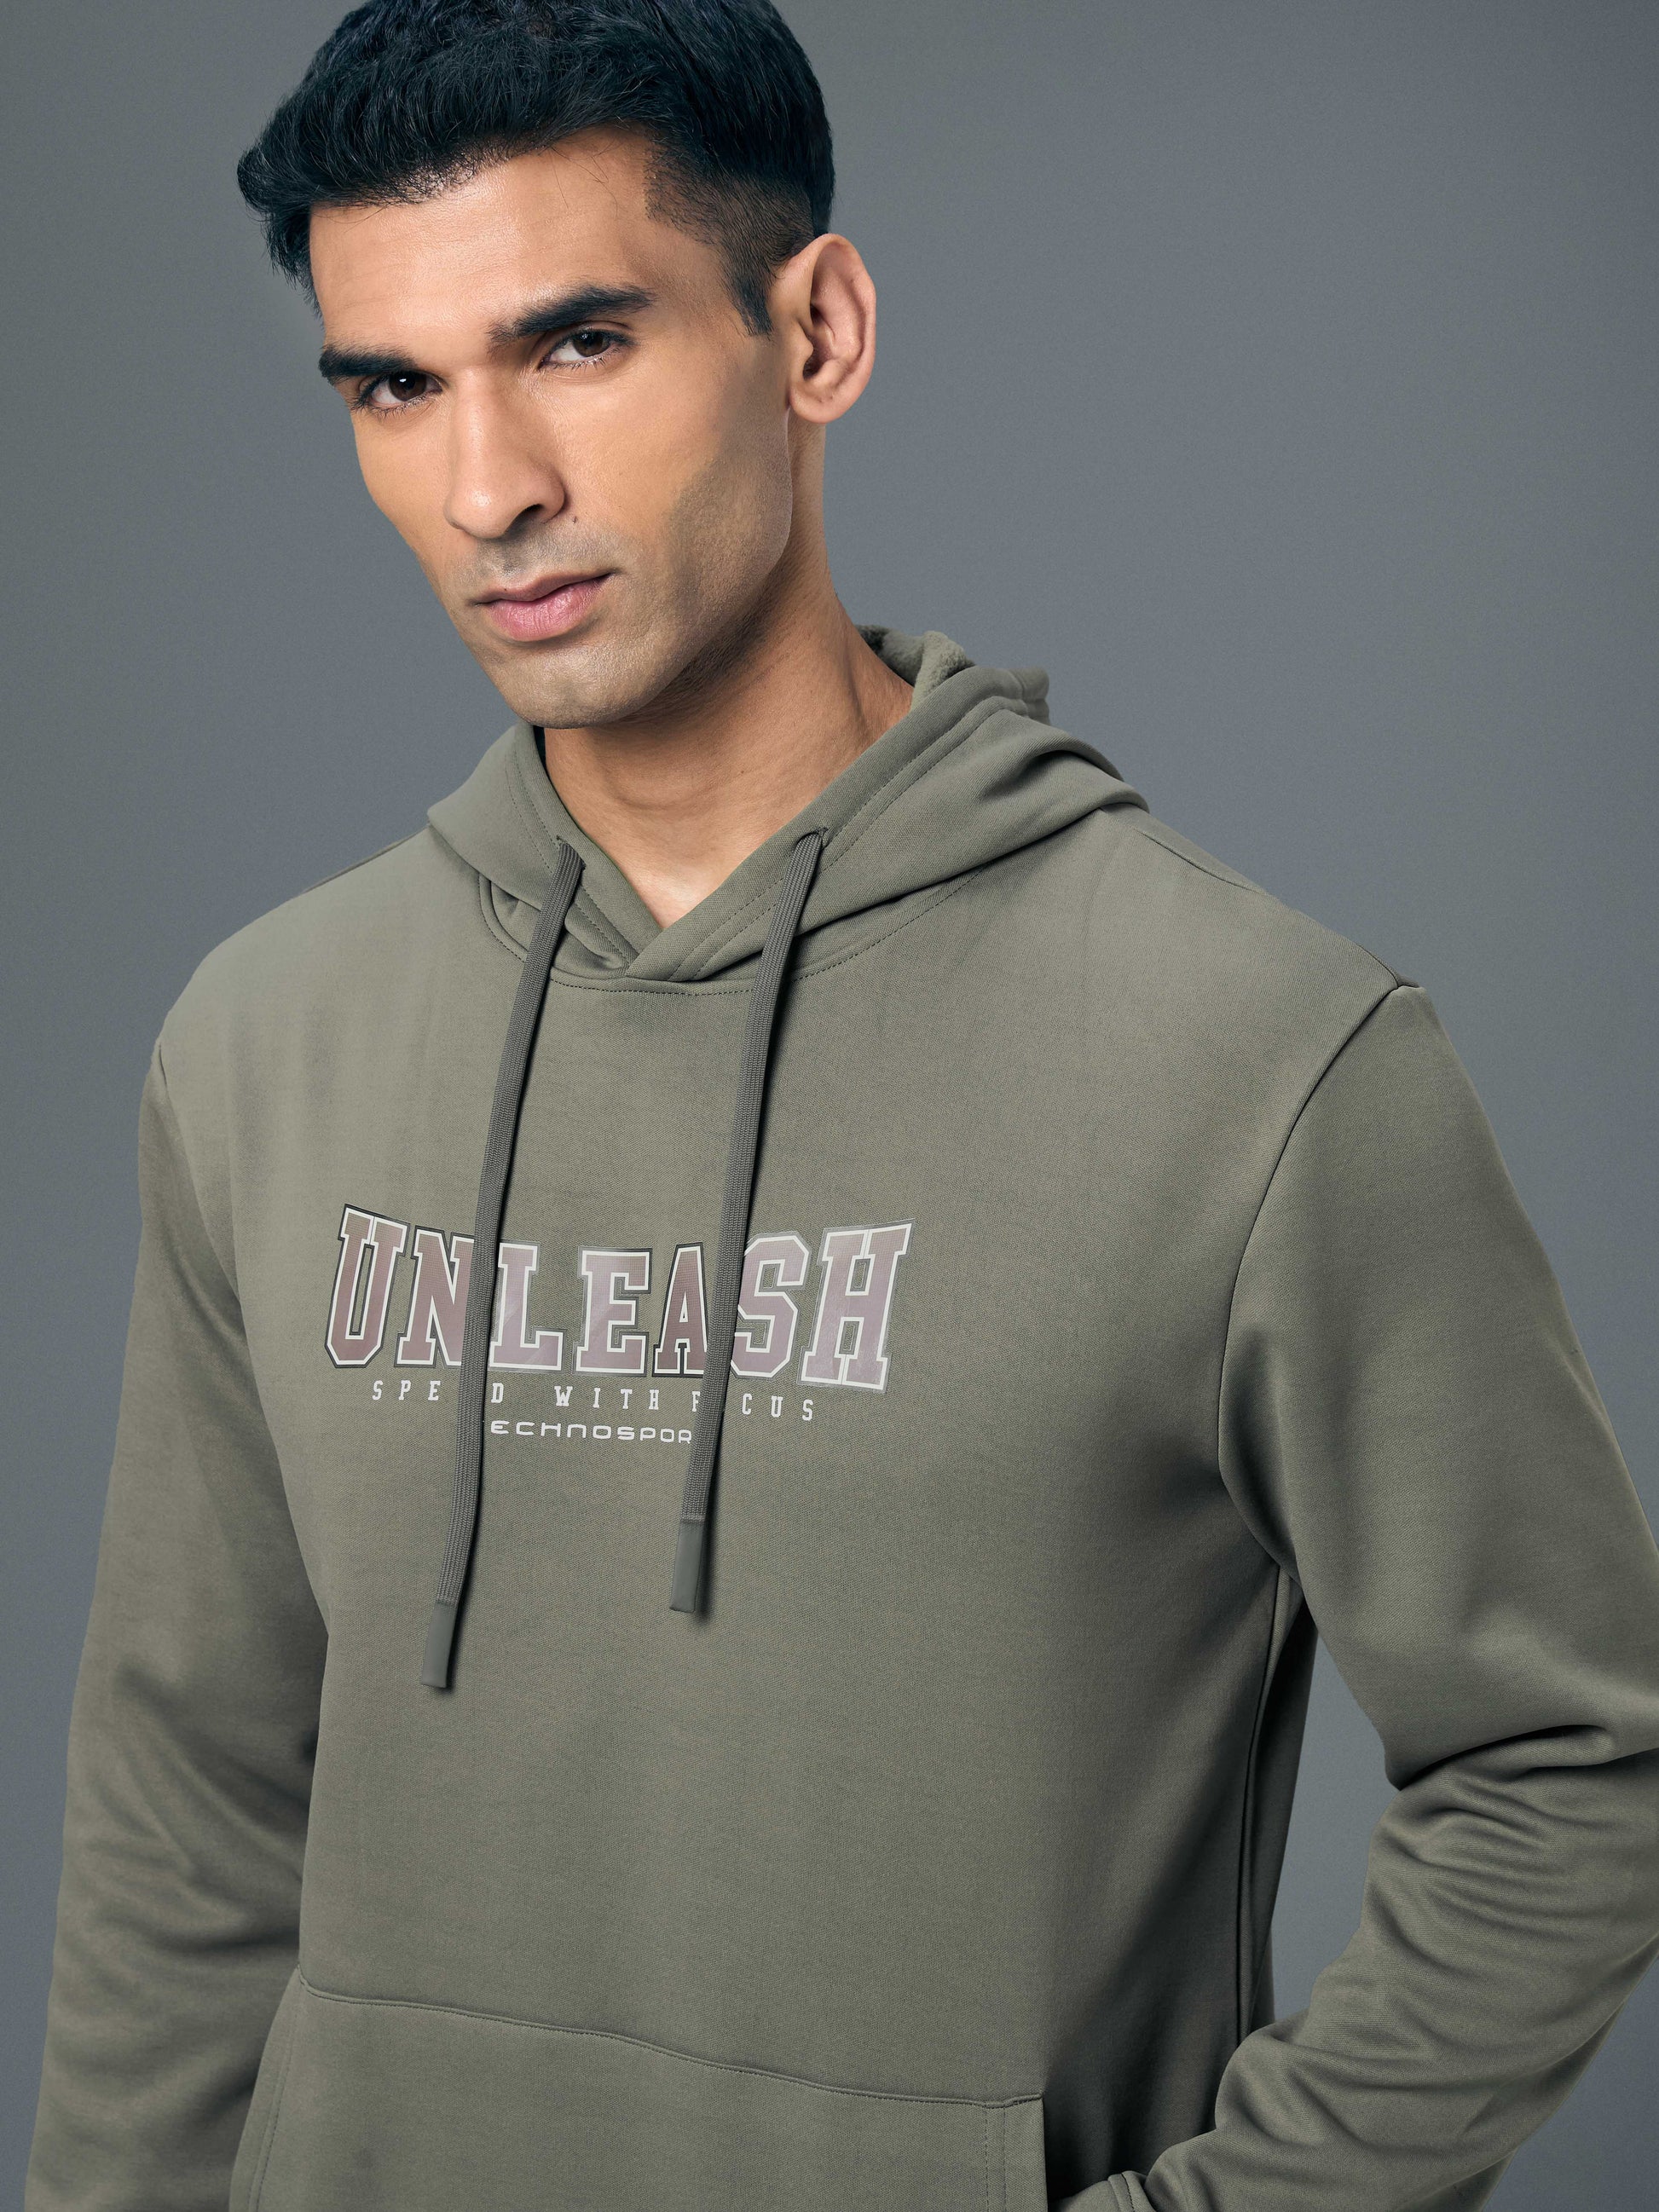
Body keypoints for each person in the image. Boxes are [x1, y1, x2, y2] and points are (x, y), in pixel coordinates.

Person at [26, 2, 1659, 2208]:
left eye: (577, 342)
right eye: (393, 386)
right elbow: (191, 1802)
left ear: (816, 331)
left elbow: (1572, 1759)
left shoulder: (1258, 1055)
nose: (486, 486)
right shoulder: (264, 1037)